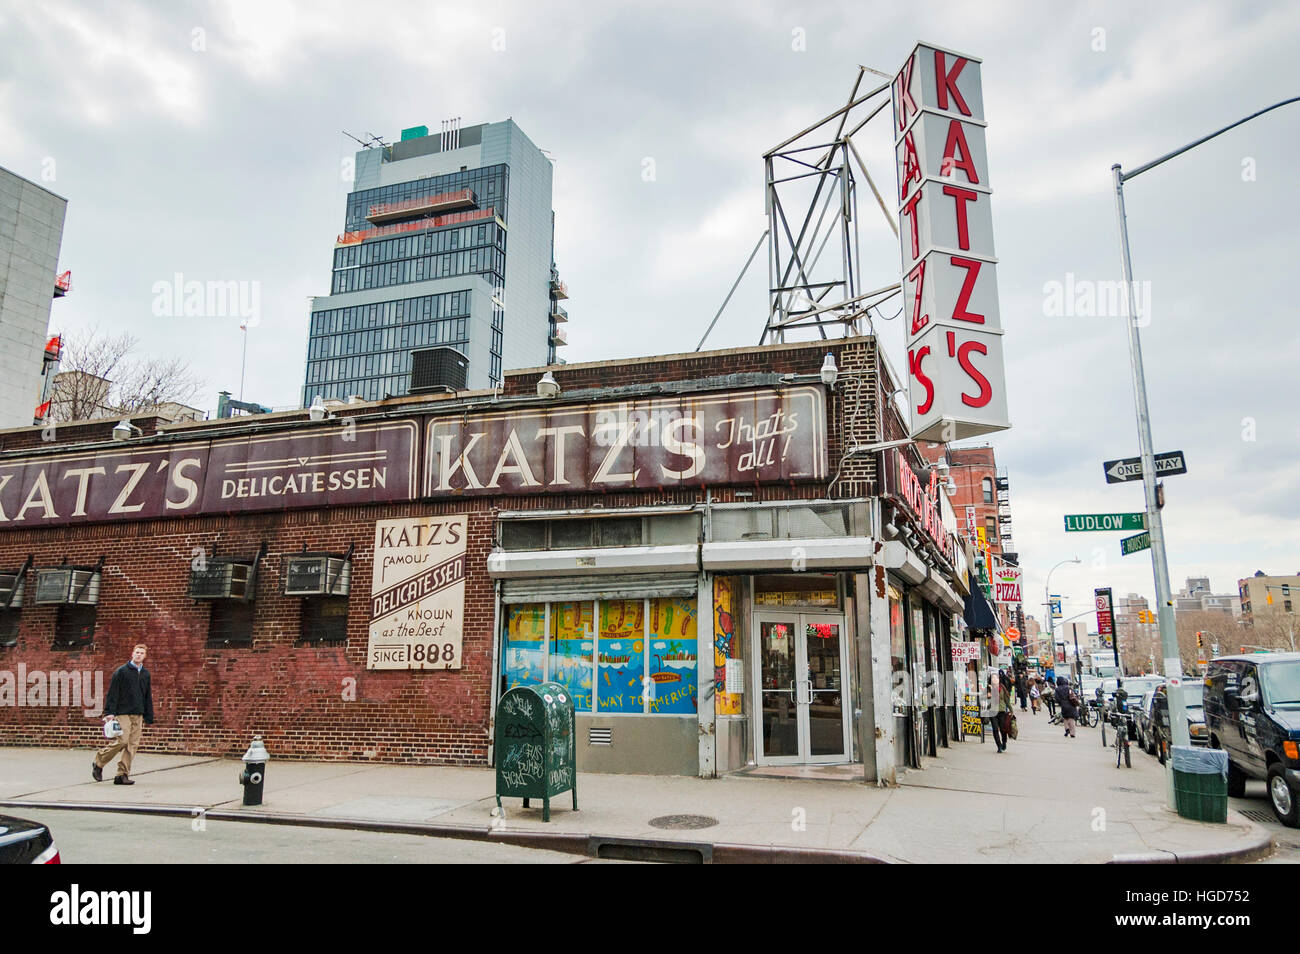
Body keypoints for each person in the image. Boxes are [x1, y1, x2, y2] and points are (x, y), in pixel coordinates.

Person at [93, 643, 155, 785]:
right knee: (122, 740)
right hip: (122, 712)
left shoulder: (146, 674)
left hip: (138, 713)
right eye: (137, 652)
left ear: (145, 656)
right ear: (132, 654)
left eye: (141, 653)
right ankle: (99, 761)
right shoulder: (121, 671)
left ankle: (122, 775)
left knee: (132, 745)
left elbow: (147, 695)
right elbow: (113, 692)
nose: (139, 655)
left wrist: (148, 714)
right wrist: (109, 712)